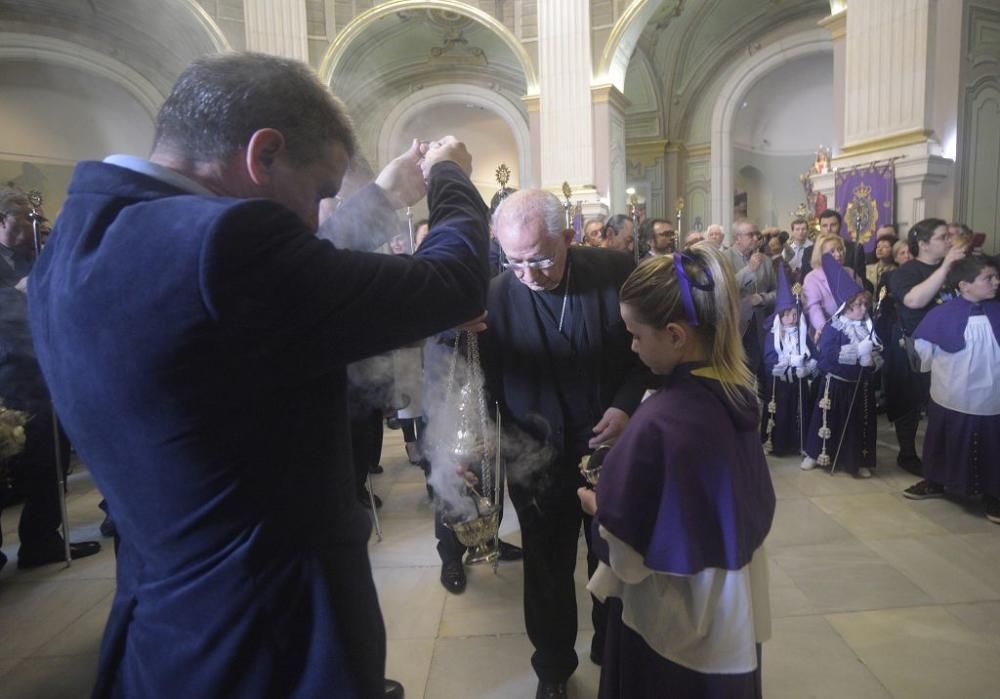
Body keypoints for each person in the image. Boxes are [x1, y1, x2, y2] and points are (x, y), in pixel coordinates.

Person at [28, 53, 491, 699]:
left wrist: (385, 197)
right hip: (273, 646)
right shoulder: (226, 247)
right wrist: (449, 177)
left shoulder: (85, 234)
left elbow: (285, 276)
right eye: (323, 191)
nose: (318, 216)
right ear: (263, 154)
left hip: (167, 628)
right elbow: (454, 282)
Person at [578, 245, 775, 699]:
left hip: (674, 619)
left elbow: (626, 555)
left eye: (635, 334)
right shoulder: (739, 394)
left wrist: (597, 506)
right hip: (731, 603)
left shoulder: (658, 420)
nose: (632, 346)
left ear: (673, 335)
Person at [482, 190, 649, 699]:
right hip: (534, 456)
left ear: (569, 238)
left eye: (542, 259)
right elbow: (480, 382)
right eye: (515, 262)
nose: (529, 275)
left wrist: (625, 405)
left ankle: (611, 641)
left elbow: (650, 353)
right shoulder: (494, 297)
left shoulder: (618, 271)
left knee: (611, 553)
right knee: (547, 565)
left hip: (610, 447)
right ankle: (553, 669)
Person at [0, 187, 101, 573]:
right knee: (18, 464)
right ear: (1, 221)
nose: (29, 230)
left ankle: (41, 539)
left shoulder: (38, 253)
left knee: (50, 459)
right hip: (12, 371)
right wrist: (18, 293)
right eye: (21, 222)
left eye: (33, 222)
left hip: (49, 365)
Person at [902, 256, 999, 523]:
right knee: (943, 438)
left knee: (993, 444)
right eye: (988, 278)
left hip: (993, 397)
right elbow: (922, 354)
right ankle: (936, 481)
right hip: (952, 392)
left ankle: (994, 494)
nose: (996, 282)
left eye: (995, 276)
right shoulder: (941, 314)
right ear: (965, 285)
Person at [886, 218, 967, 474]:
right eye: (942, 237)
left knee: (942, 401)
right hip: (912, 343)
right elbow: (914, 300)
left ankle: (942, 455)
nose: (948, 242)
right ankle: (907, 453)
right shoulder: (904, 272)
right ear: (922, 243)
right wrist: (944, 268)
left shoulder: (956, 269)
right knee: (908, 399)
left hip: (949, 344)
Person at [801, 255, 883, 478]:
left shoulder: (868, 327)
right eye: (857, 305)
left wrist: (872, 358)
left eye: (865, 304)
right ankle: (815, 454)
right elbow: (828, 353)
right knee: (826, 419)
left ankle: (857, 460)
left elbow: (877, 353)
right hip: (835, 384)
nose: (863, 309)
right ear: (846, 307)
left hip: (859, 385)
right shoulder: (834, 327)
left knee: (859, 423)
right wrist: (857, 352)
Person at [762, 265, 818, 456]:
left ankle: (798, 443)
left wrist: (809, 366)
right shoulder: (773, 335)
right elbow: (770, 359)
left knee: (799, 411)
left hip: (799, 382)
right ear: (779, 315)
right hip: (779, 384)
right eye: (787, 314)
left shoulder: (802, 332)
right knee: (781, 411)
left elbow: (811, 354)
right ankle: (778, 443)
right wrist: (788, 365)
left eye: (795, 313)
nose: (791, 318)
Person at [723, 218, 777, 379]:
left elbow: (778, 291)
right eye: (750, 234)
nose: (756, 238)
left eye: (757, 234)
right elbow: (724, 289)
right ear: (737, 238)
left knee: (762, 375)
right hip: (735, 326)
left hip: (762, 324)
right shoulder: (724, 258)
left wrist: (763, 298)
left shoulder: (766, 261)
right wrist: (749, 269)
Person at [802, 233, 861, 340]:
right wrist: (826, 331)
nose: (838, 254)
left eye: (840, 249)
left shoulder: (850, 273)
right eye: (832, 251)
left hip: (854, 329)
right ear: (821, 255)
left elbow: (861, 300)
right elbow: (814, 308)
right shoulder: (811, 278)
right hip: (826, 332)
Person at [817, 209, 867, 281]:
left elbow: (861, 280)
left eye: (833, 225)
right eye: (824, 226)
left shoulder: (855, 249)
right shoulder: (809, 251)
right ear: (820, 228)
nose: (829, 229)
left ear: (840, 226)